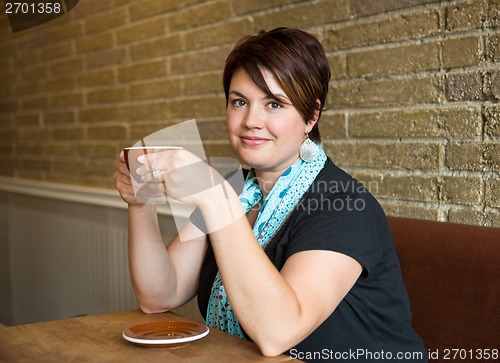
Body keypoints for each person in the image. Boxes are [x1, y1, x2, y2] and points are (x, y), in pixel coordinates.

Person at [114, 27, 427, 362]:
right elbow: (159, 294)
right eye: (239, 102)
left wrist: (216, 197)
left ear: (311, 116)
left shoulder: (344, 203)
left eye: (274, 104)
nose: (251, 120)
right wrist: (140, 203)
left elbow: (278, 332)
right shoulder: (237, 187)